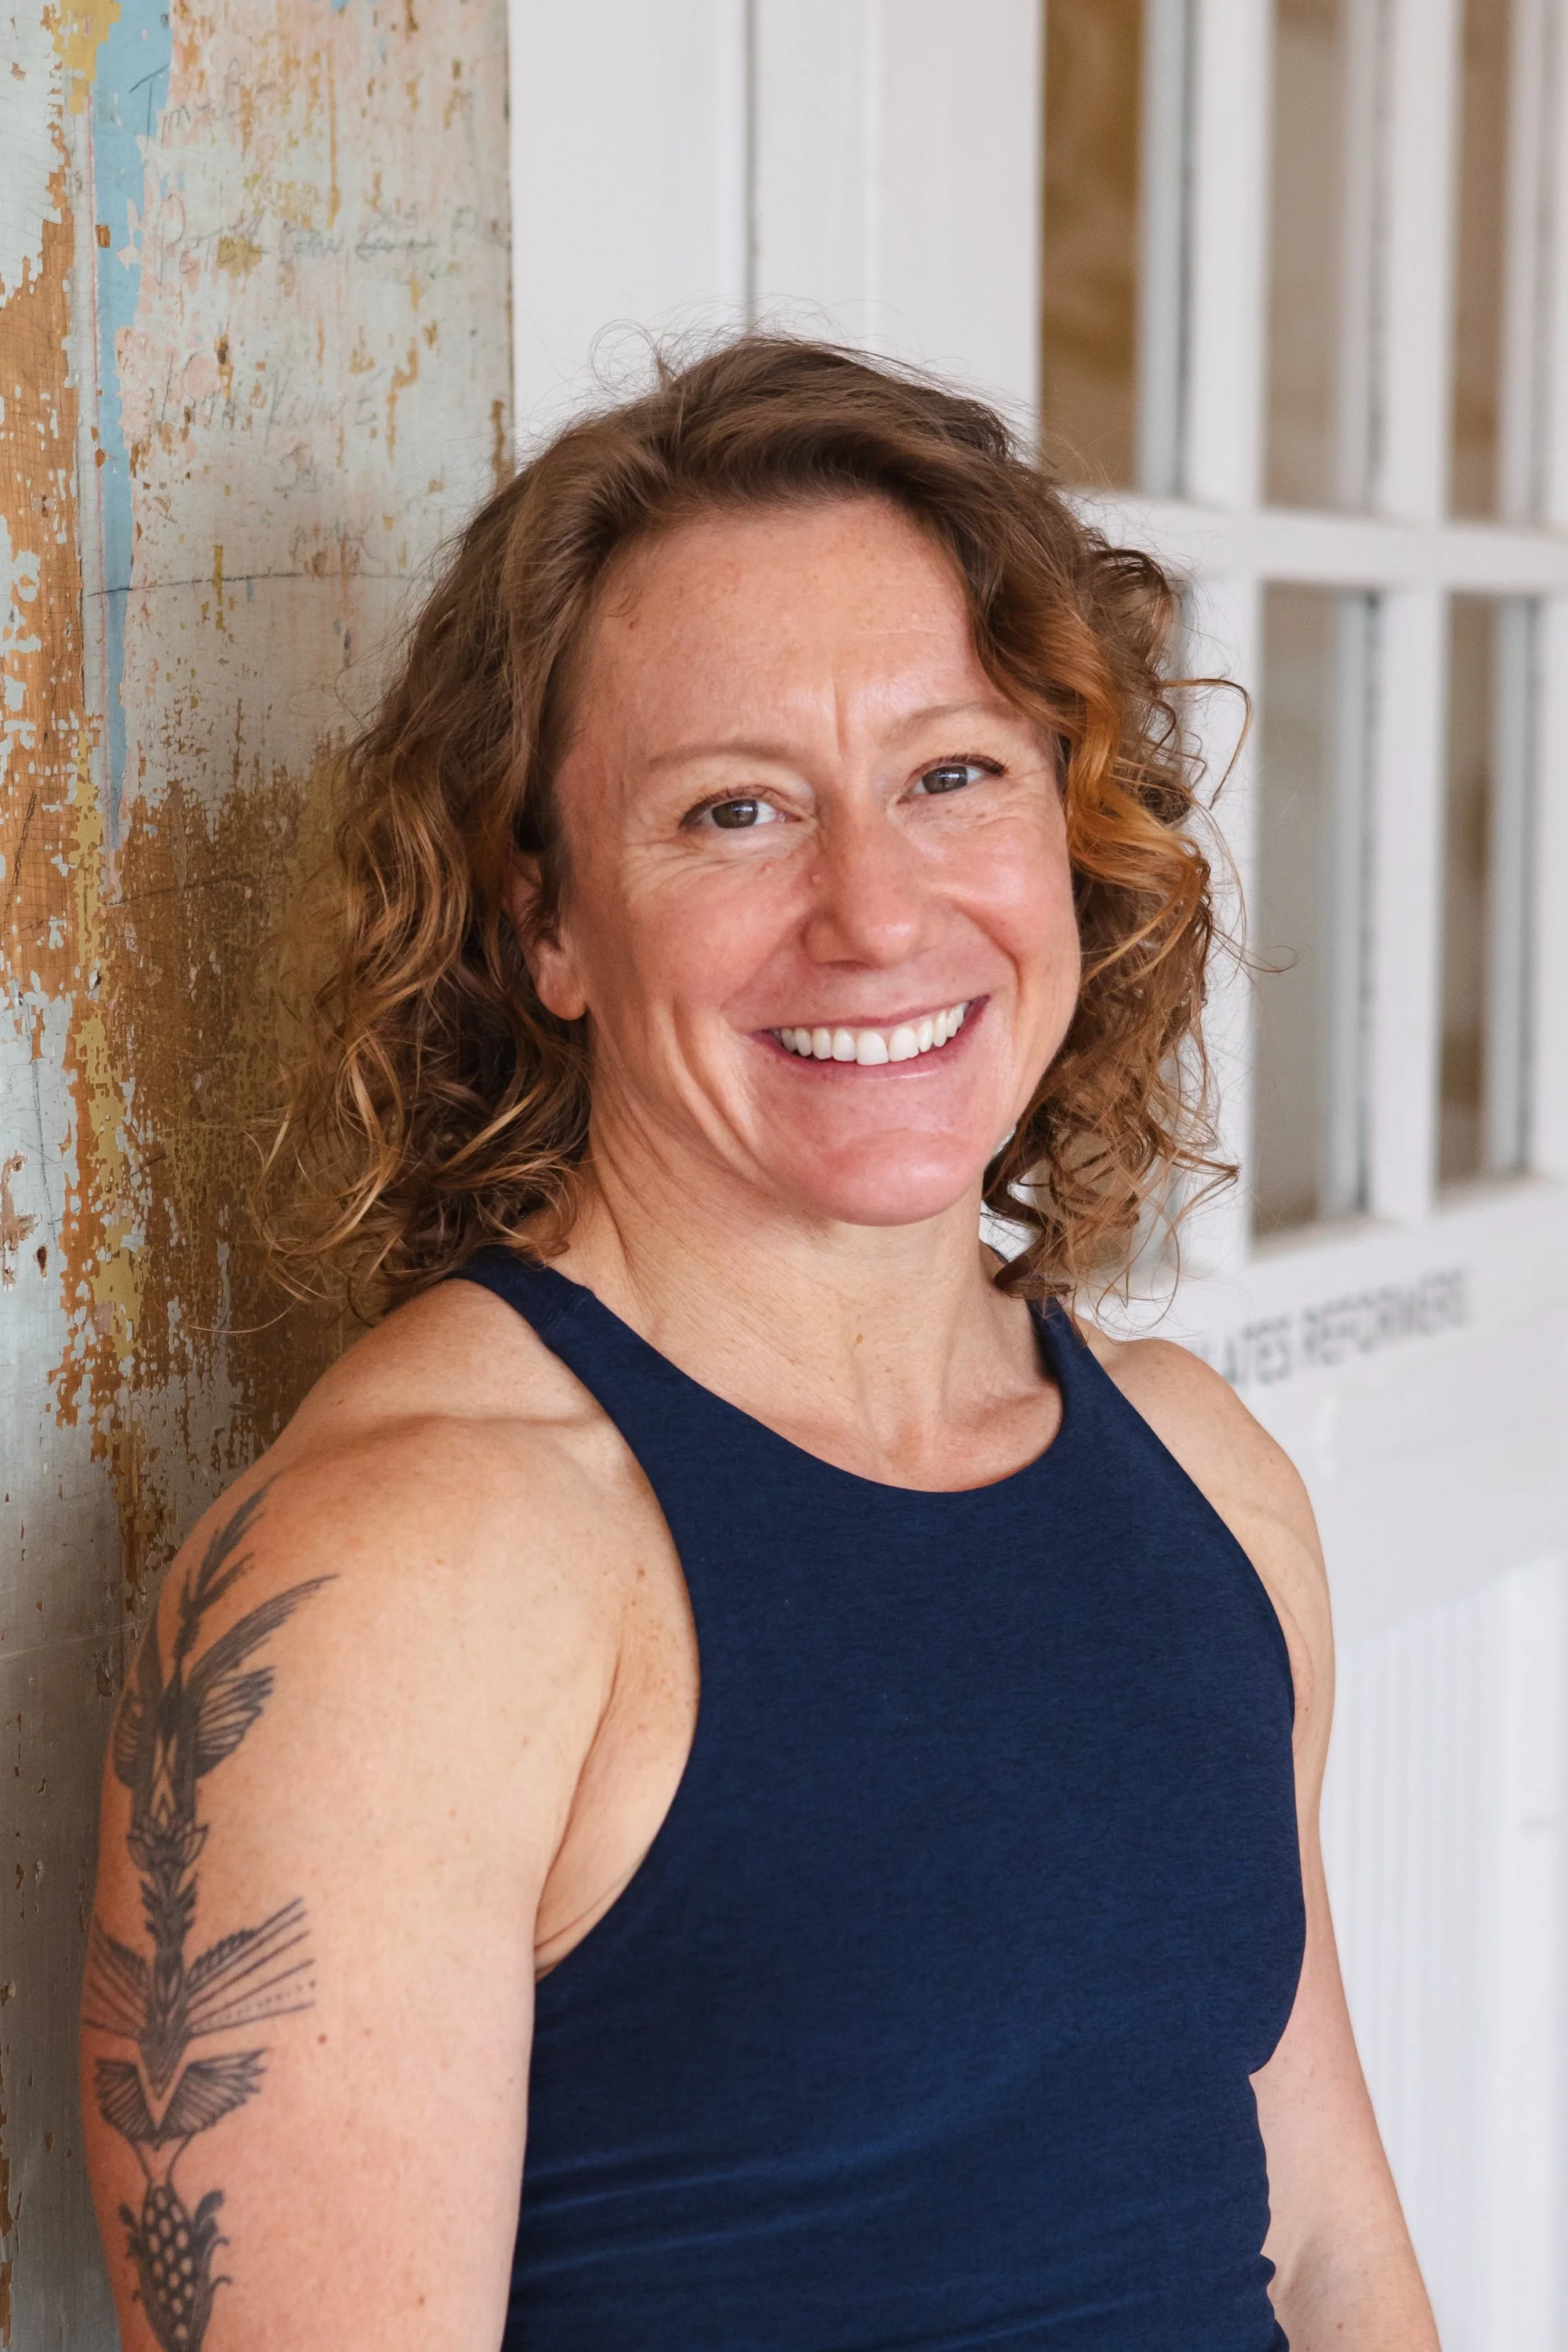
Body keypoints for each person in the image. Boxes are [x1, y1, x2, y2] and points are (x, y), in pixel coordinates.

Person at [82, 337, 1436, 2351]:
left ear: (1072, 832)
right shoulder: (416, 1579)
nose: (875, 914)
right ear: (541, 920)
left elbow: (1323, 2256)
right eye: (733, 812)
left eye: (952, 775)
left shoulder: (1197, 1474)